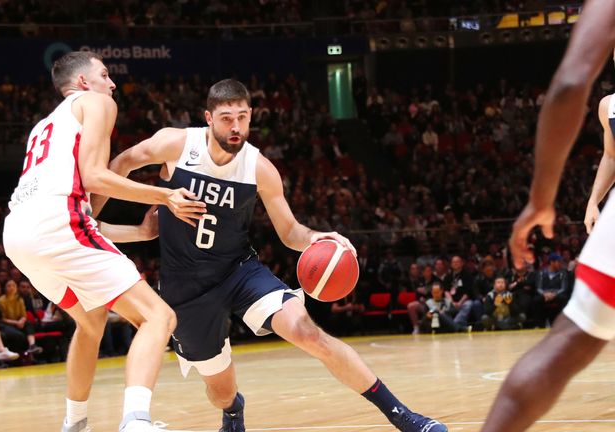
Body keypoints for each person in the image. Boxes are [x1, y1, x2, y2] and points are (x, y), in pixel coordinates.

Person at [109, 79, 447, 432]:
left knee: (309, 333)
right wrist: (89, 211)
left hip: (239, 272)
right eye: (226, 118)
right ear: (208, 118)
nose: (236, 126)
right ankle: (234, 408)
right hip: (187, 289)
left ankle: (404, 417)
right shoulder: (176, 144)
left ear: (252, 116)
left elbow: (289, 232)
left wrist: (317, 237)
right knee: (219, 391)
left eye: (242, 117)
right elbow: (118, 165)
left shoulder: (260, 168)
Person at [2, 51, 205, 432]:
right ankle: (135, 421)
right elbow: (94, 178)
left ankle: (75, 423)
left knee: (91, 321)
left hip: (18, 235)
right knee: (158, 317)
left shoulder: (44, 125)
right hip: (56, 224)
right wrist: (165, 195)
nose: (112, 84)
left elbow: (80, 218)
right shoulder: (96, 102)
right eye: (105, 75)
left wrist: (141, 234)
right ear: (82, 82)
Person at [485, 1, 615, 430]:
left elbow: (571, 81)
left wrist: (541, 200)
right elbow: (610, 155)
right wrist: (594, 201)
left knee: (566, 344)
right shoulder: (609, 107)